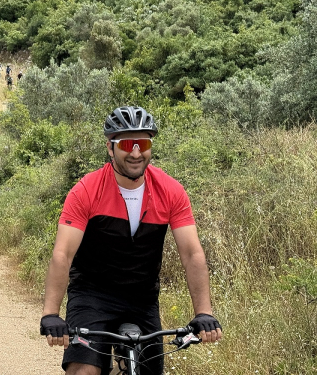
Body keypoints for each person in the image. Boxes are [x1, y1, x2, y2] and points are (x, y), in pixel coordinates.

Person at [40, 106, 222, 375]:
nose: (136, 153)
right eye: (127, 144)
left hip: (142, 298)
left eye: (143, 144)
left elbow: (192, 253)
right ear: (110, 148)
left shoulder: (171, 190)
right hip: (92, 295)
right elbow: (62, 254)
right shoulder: (86, 190)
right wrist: (51, 314)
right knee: (84, 371)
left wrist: (203, 312)